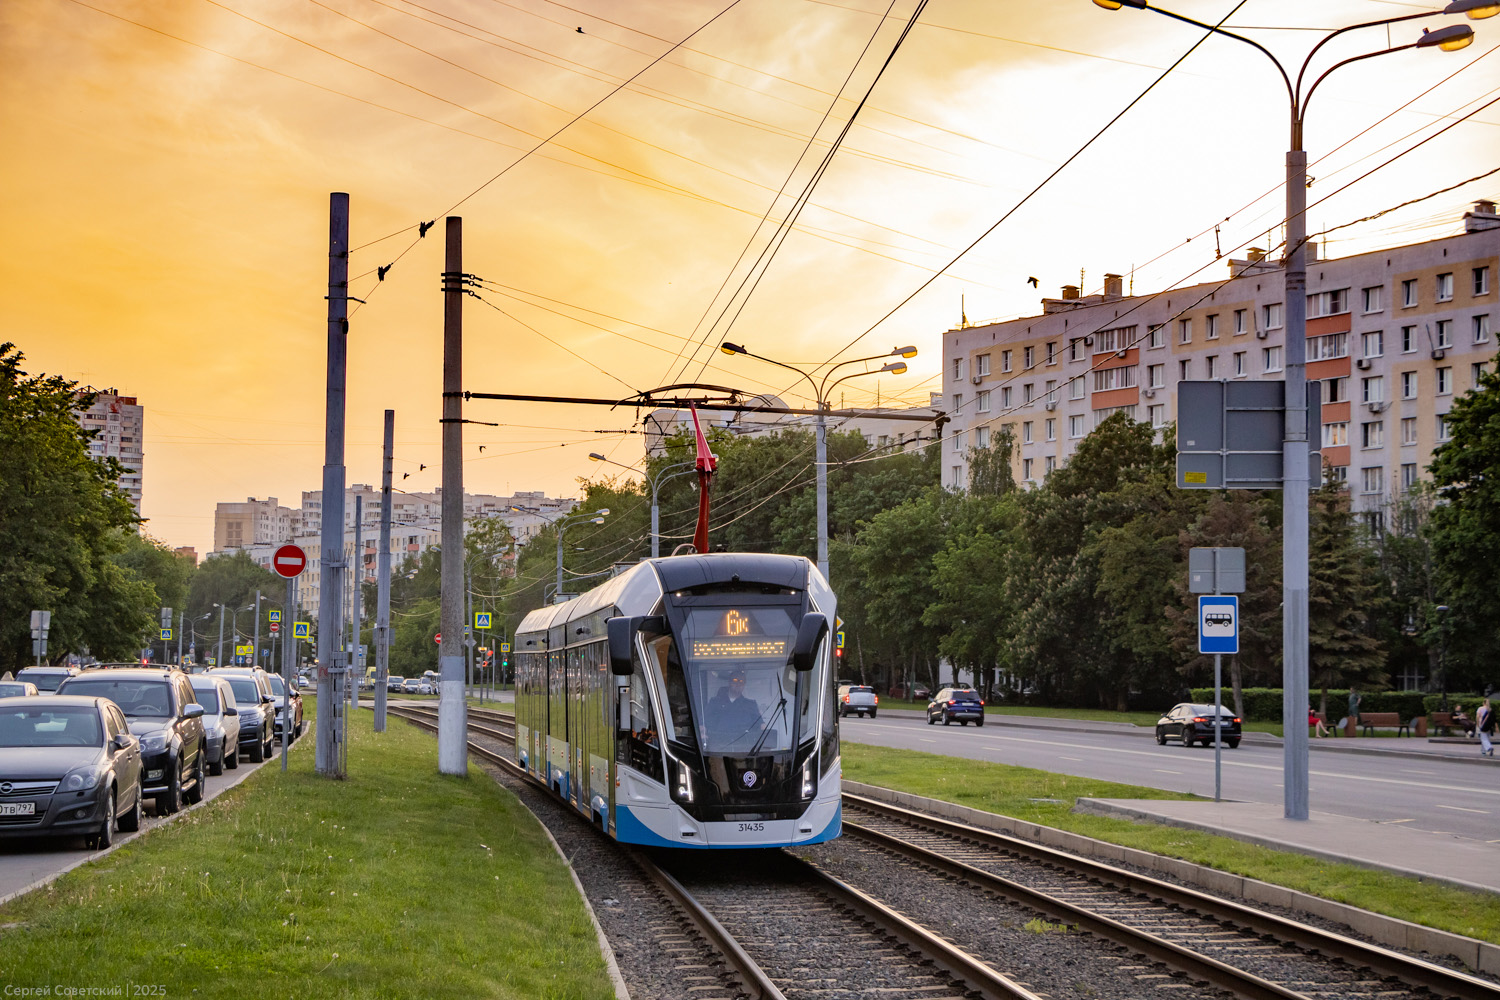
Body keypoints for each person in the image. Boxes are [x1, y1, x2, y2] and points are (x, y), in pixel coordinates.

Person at [706, 671, 761, 744]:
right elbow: (703, 722)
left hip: (745, 748)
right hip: (718, 747)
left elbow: (761, 726)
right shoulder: (715, 702)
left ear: (744, 685)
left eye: (741, 681)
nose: (738, 684)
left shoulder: (751, 704)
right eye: (735, 680)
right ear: (729, 682)